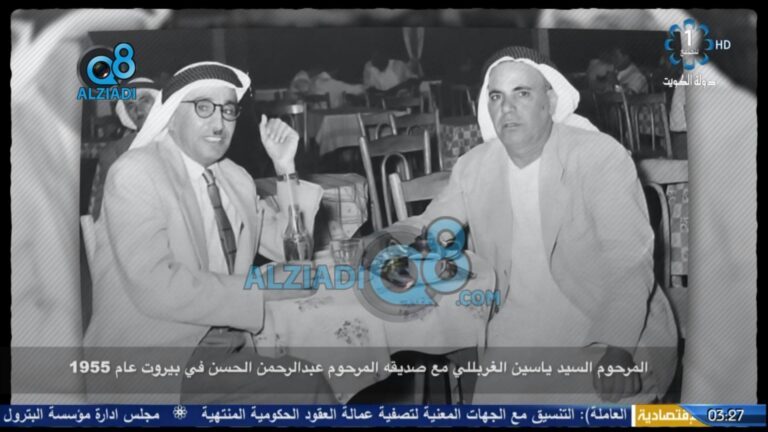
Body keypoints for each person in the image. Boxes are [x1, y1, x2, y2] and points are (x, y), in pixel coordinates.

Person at [371, 46, 678, 403]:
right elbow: (434, 224)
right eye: (496, 96)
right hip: (515, 329)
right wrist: (385, 240)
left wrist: (619, 350)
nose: (507, 107)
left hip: (600, 326)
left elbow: (628, 260)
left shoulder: (598, 156)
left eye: (522, 93)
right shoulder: (475, 165)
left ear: (550, 100)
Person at [83, 61, 334, 404]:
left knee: (326, 358)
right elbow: (157, 287)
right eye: (204, 107)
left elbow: (292, 253)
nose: (219, 123)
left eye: (228, 110)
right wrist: (259, 289)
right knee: (304, 385)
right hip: (155, 359)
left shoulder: (235, 179)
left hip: (225, 347)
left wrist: (285, 167)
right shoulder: (135, 172)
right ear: (172, 116)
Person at [89, 77, 159, 220]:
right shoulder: (115, 151)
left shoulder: (182, 139)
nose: (138, 110)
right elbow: (101, 208)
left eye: (144, 100)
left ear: (158, 102)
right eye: (130, 105)